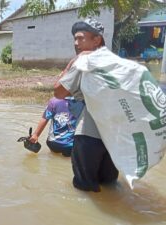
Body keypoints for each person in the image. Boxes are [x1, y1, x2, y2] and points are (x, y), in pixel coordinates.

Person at [54, 18, 119, 192]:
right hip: (115, 138)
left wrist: (70, 65)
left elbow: (59, 92)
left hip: (89, 135)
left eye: (81, 38)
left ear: (96, 39)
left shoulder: (83, 61)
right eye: (75, 39)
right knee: (110, 186)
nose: (76, 43)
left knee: (85, 190)